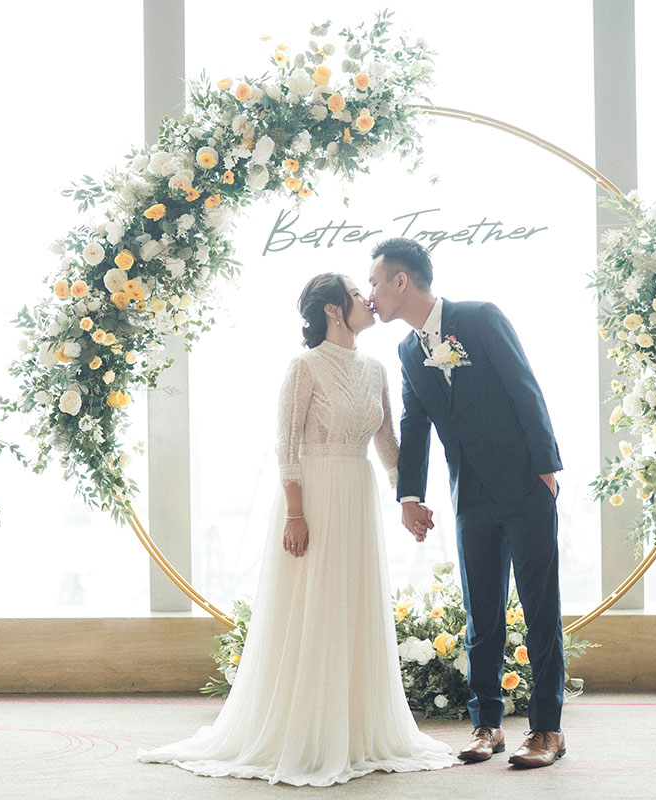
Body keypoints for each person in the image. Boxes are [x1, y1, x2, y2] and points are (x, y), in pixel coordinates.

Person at [139, 272, 455, 786]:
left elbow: (388, 444)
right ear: (333, 309)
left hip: (357, 490)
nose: (367, 300)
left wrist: (409, 501)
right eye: (356, 295)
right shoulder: (303, 367)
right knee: (313, 605)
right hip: (314, 495)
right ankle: (304, 730)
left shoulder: (376, 368)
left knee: (352, 604)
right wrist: (294, 511)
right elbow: (286, 446)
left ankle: (353, 730)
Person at [367, 238, 567, 769]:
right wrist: (409, 495)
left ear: (400, 281)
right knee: (482, 611)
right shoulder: (409, 351)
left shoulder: (479, 318)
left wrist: (547, 467)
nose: (370, 295)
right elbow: (415, 426)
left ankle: (548, 730)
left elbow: (525, 387)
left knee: (540, 608)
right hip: (470, 496)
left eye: (374, 283)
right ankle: (488, 725)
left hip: (526, 485)